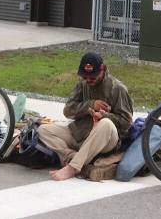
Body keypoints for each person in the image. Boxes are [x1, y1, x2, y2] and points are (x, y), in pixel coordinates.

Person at [39, 51, 134, 181]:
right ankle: (73, 158)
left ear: (103, 69)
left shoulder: (117, 88)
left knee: (105, 124)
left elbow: (127, 122)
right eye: (85, 76)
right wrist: (90, 105)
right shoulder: (83, 84)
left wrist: (105, 116)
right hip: (80, 133)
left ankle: (73, 168)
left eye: (93, 77)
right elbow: (68, 111)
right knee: (43, 130)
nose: (88, 80)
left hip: (105, 140)